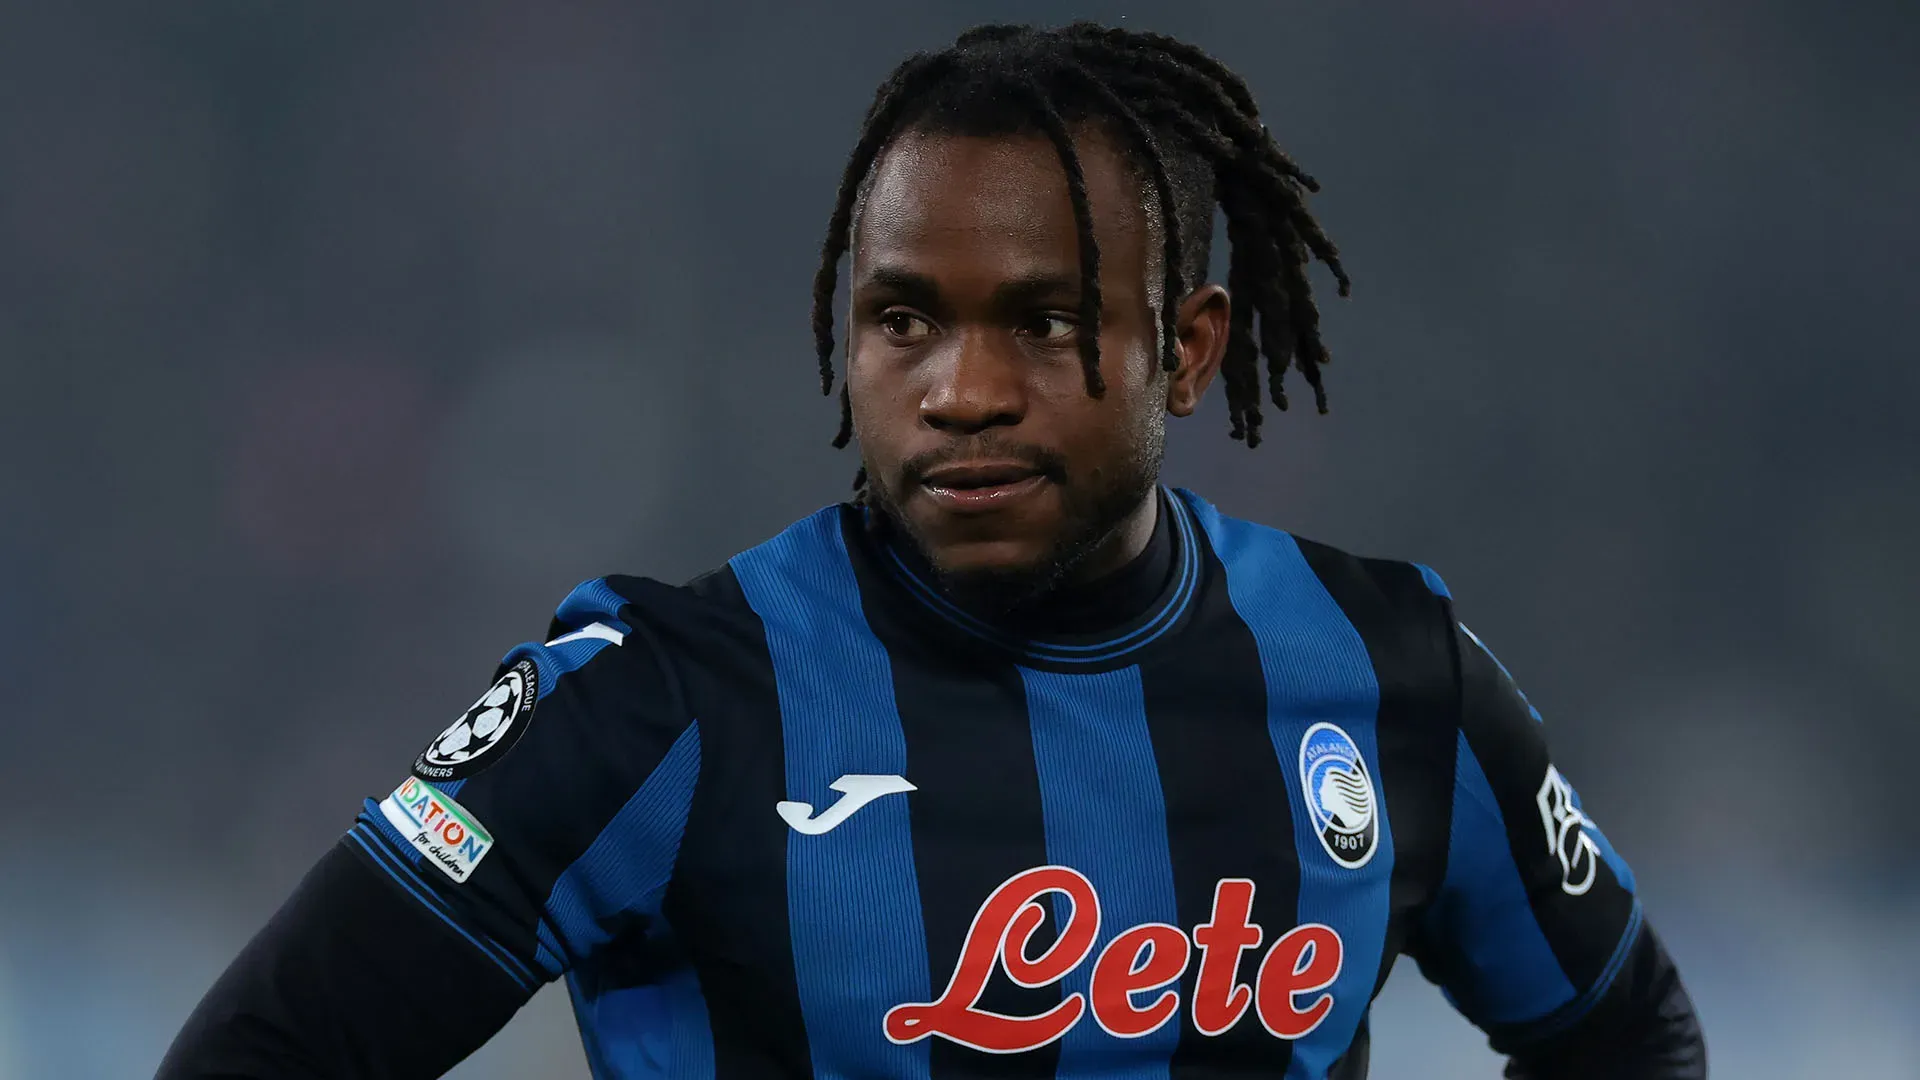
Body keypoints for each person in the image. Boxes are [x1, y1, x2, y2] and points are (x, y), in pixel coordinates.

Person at [158, 22, 1706, 1080]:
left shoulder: (1391, 677)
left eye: (1045, 321)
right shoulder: (657, 704)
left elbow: (1628, 1039)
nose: (962, 391)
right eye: (904, 320)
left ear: (1185, 349)